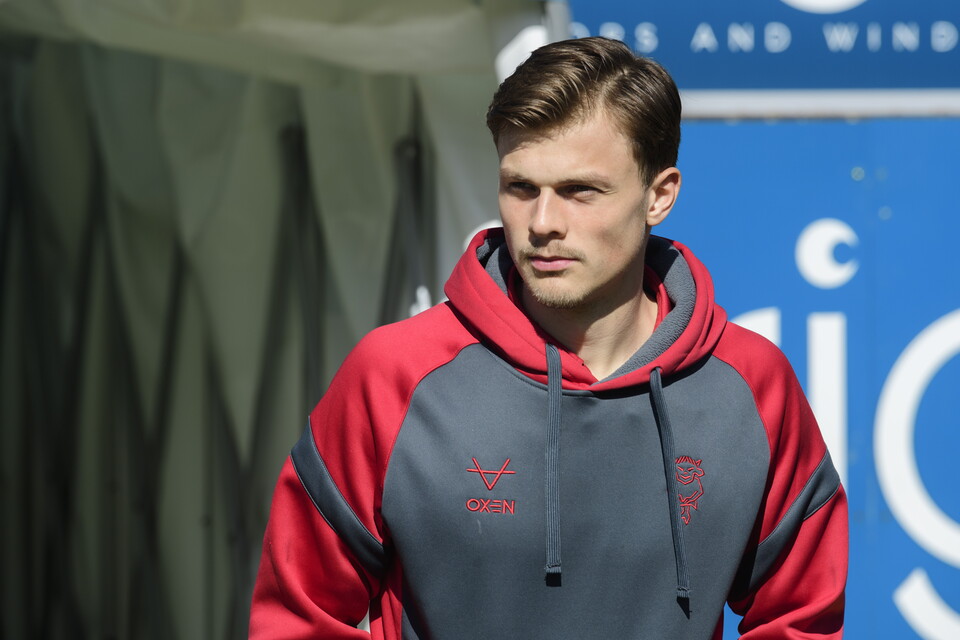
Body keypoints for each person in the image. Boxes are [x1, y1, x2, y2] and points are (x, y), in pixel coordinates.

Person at [249, 37, 847, 639]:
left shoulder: (750, 385)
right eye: (520, 188)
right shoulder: (395, 375)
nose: (542, 224)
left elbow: (802, 619)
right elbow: (298, 620)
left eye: (580, 191)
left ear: (659, 195)